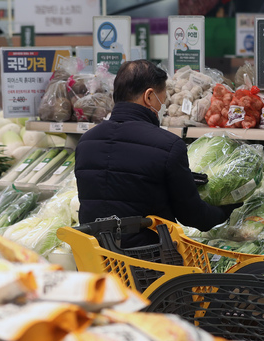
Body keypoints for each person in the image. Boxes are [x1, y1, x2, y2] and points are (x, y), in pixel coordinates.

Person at [74, 60, 239, 247]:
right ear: (149, 96)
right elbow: (194, 217)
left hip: (97, 260)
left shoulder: (86, 142)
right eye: (164, 99)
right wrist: (229, 209)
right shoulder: (167, 145)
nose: (163, 107)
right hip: (147, 264)